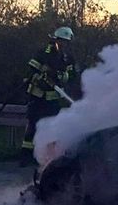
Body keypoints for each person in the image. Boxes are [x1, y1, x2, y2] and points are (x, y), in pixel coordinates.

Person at [20, 26, 77, 166]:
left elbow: (73, 77)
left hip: (53, 101)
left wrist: (61, 76)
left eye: (66, 42)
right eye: (60, 41)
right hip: (37, 97)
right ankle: (26, 158)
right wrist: (38, 78)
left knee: (52, 128)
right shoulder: (43, 54)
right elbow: (29, 72)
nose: (63, 45)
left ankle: (48, 159)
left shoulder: (68, 58)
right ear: (55, 40)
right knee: (33, 126)